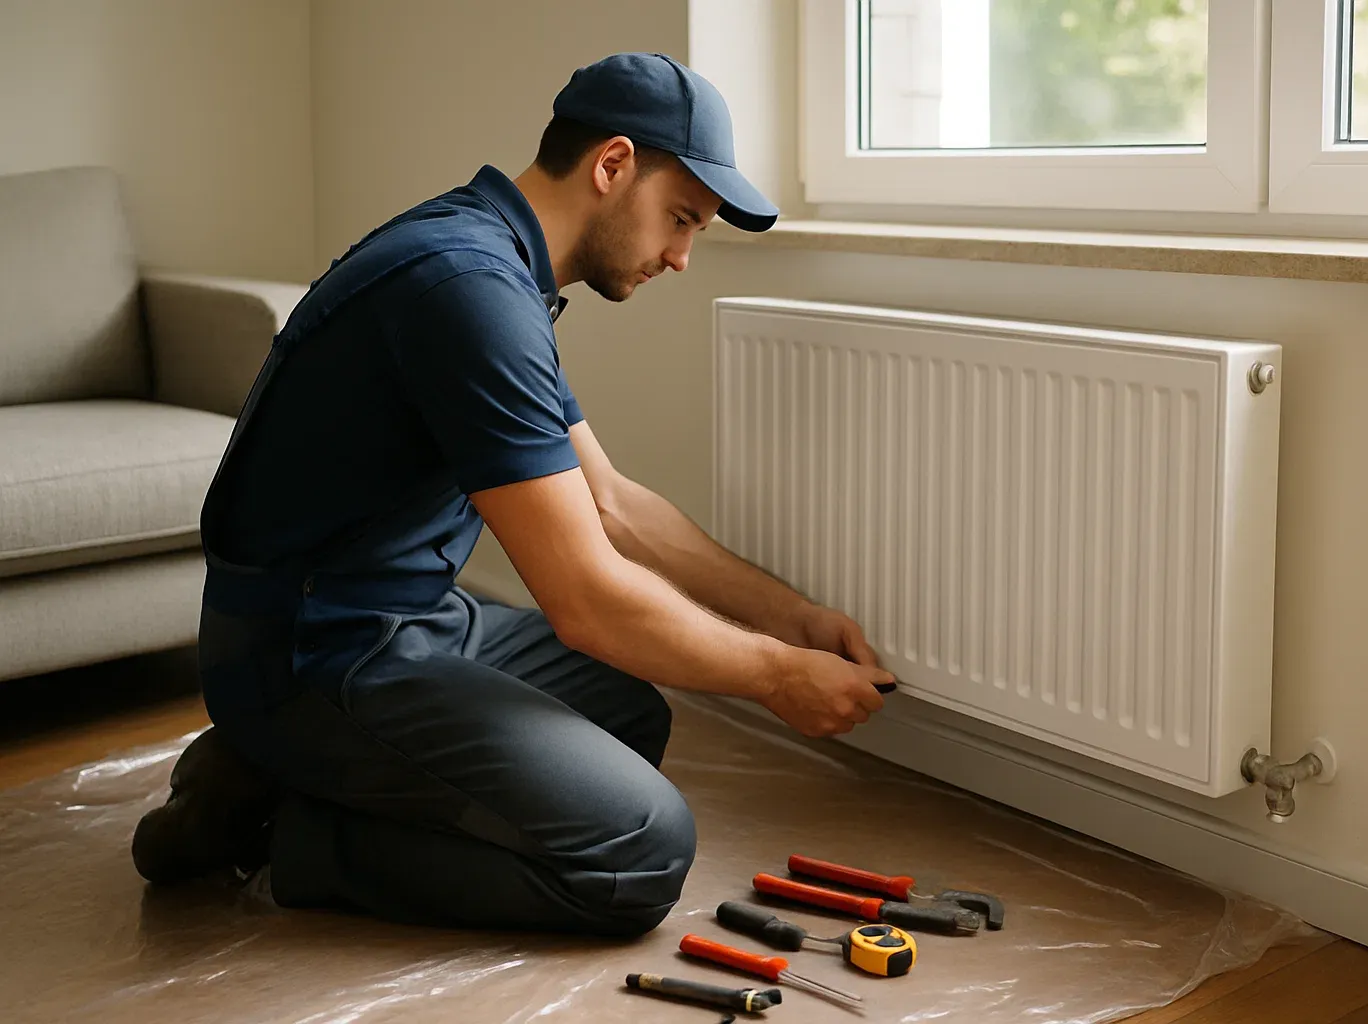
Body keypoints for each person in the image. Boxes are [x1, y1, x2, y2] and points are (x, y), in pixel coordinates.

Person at [129, 52, 894, 937]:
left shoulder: (493, 261)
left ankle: (267, 770)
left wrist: (787, 619)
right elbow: (585, 599)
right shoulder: (467, 288)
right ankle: (281, 828)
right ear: (611, 166)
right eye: (681, 218)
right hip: (311, 651)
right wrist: (777, 677)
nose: (683, 257)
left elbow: (612, 505)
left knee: (626, 710)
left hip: (398, 615)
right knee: (640, 853)